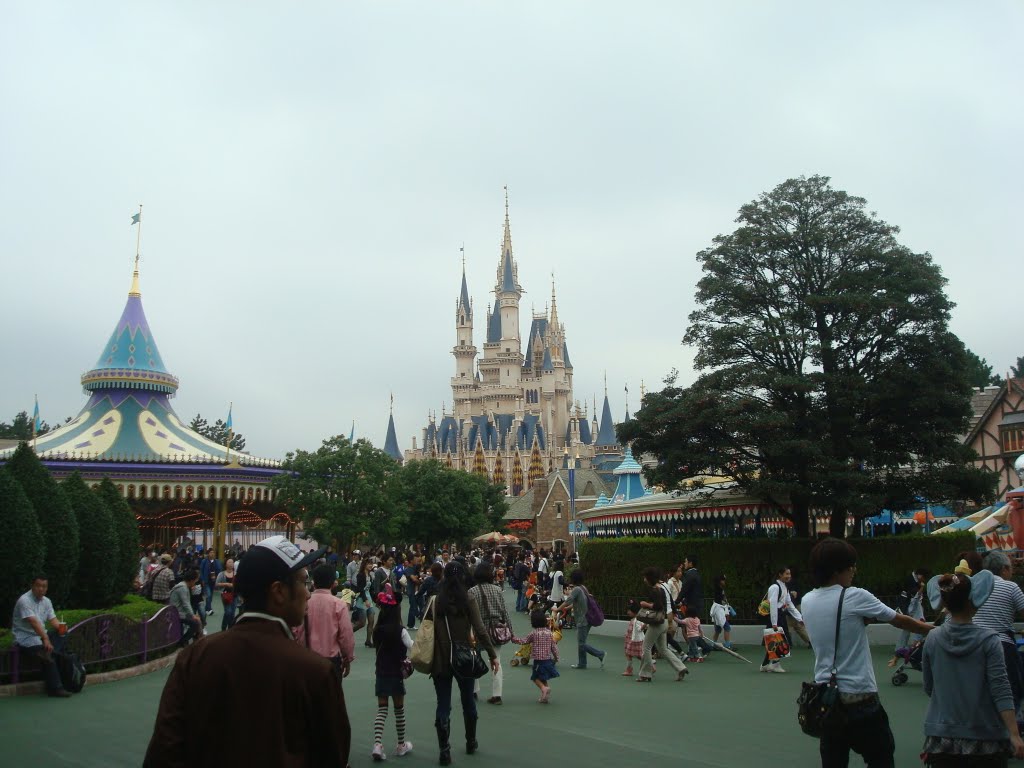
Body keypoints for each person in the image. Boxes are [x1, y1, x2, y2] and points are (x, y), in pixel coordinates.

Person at [143, 535, 350, 767]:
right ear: (279, 591)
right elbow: (333, 755)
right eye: (303, 582)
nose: (309, 592)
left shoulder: (196, 656)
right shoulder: (315, 672)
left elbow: (164, 750)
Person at [801, 537, 933, 768]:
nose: (854, 570)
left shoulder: (807, 600)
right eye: (850, 565)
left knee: (833, 760)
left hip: (825, 699)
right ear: (837, 570)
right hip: (860, 699)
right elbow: (899, 620)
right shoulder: (855, 596)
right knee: (881, 758)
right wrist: (934, 629)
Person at [921, 570, 1024, 766]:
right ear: (973, 599)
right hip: (986, 738)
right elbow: (1001, 690)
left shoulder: (933, 638)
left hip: (942, 738)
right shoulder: (990, 640)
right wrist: (1014, 734)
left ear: (945, 603)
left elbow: (929, 686)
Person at [428, 560, 499, 766]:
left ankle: (444, 750)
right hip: (464, 657)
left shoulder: (436, 601)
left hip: (441, 657)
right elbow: (480, 629)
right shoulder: (468, 598)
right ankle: (470, 740)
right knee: (468, 700)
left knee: (443, 704)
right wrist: (492, 654)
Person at [972, 550, 1024, 715]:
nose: (1012, 571)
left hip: (972, 643)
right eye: (1010, 568)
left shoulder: (972, 584)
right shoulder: (1010, 586)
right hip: (1001, 644)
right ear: (1003, 569)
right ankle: (1010, 728)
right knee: (1012, 688)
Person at [370, 585, 414, 761]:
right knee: (399, 709)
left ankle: (377, 744)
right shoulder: (400, 630)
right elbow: (412, 646)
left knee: (382, 709)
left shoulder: (377, 630)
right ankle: (401, 744)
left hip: (381, 671)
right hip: (396, 673)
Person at [293, 563, 355, 681]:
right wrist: (347, 658)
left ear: (313, 582)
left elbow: (295, 631)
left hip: (306, 659)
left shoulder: (304, 602)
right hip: (330, 661)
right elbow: (346, 636)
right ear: (333, 582)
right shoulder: (339, 604)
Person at [11, 575, 70, 698]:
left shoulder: (47, 601)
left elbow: (53, 620)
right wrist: (46, 639)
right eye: (38, 586)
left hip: (41, 635)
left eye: (44, 586)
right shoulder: (24, 600)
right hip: (26, 638)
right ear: (32, 586)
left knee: (62, 635)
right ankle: (56, 688)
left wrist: (61, 627)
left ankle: (52, 653)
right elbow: (34, 623)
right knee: (46, 653)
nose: (41, 589)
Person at [468, 562, 512, 705]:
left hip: (478, 630)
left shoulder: (472, 591)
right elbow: (505, 612)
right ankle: (497, 694)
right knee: (496, 660)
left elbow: (469, 615)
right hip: (496, 629)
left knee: (474, 660)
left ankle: (474, 690)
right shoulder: (497, 590)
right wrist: (511, 630)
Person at [636, 566, 688, 683]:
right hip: (664, 622)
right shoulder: (662, 588)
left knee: (646, 647)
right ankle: (680, 668)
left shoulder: (655, 590)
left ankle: (645, 674)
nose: (644, 580)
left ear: (649, 578)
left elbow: (658, 606)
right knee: (663, 649)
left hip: (657, 623)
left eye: (645, 578)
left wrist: (645, 604)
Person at [558, 570, 606, 670]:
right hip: (587, 618)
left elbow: (568, 600)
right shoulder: (583, 588)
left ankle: (600, 654)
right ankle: (582, 663)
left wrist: (558, 609)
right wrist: (567, 608)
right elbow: (578, 601)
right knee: (582, 641)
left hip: (582, 619)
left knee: (581, 643)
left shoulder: (576, 590)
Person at [760, 565, 802, 673]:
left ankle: (765, 665)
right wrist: (774, 622)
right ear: (780, 574)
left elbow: (790, 605)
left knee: (775, 641)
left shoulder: (784, 587)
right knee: (780, 641)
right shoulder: (775, 587)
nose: (789, 576)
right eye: (786, 574)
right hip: (776, 616)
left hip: (781, 615)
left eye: (790, 574)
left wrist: (800, 618)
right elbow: (773, 605)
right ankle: (775, 665)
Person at [511, 609, 560, 703]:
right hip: (547, 659)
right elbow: (554, 646)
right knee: (543, 677)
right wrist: (556, 657)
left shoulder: (534, 633)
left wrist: (514, 639)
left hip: (538, 661)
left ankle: (543, 689)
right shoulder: (549, 633)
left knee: (535, 677)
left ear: (533, 622)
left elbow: (524, 641)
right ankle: (545, 694)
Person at [169, 568, 202, 646]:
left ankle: (193, 638)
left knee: (197, 620)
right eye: (195, 580)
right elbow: (185, 603)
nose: (195, 582)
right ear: (191, 580)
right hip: (177, 613)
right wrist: (192, 615)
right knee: (196, 623)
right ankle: (183, 641)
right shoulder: (183, 588)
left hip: (178, 611)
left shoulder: (183, 586)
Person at [622, 599, 644, 677]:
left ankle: (629, 670)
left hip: (634, 641)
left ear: (634, 611)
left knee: (632, 655)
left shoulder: (636, 620)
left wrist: (643, 626)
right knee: (638, 655)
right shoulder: (634, 619)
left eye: (629, 611)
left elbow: (639, 629)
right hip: (632, 640)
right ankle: (651, 666)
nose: (628, 612)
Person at [710, 574, 733, 648]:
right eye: (723, 580)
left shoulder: (719, 588)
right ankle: (727, 645)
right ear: (720, 581)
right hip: (718, 610)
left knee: (718, 629)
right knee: (727, 627)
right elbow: (722, 600)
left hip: (718, 610)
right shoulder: (718, 589)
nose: (724, 581)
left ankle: (713, 643)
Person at [215, 558, 238, 631]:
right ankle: (224, 627)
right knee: (228, 612)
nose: (231, 564)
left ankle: (230, 629)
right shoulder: (221, 574)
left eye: (232, 562)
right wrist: (226, 584)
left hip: (234, 595)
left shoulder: (236, 573)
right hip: (225, 595)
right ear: (226, 564)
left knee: (232, 613)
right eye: (229, 562)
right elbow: (217, 584)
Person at [199, 549, 222, 616]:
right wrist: (202, 579)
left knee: (210, 596)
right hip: (206, 581)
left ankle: (207, 608)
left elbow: (219, 569)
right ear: (208, 554)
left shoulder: (216, 561)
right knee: (208, 595)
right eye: (211, 552)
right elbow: (201, 570)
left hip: (213, 581)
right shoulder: (204, 561)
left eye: (213, 552)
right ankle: (208, 609)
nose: (212, 554)